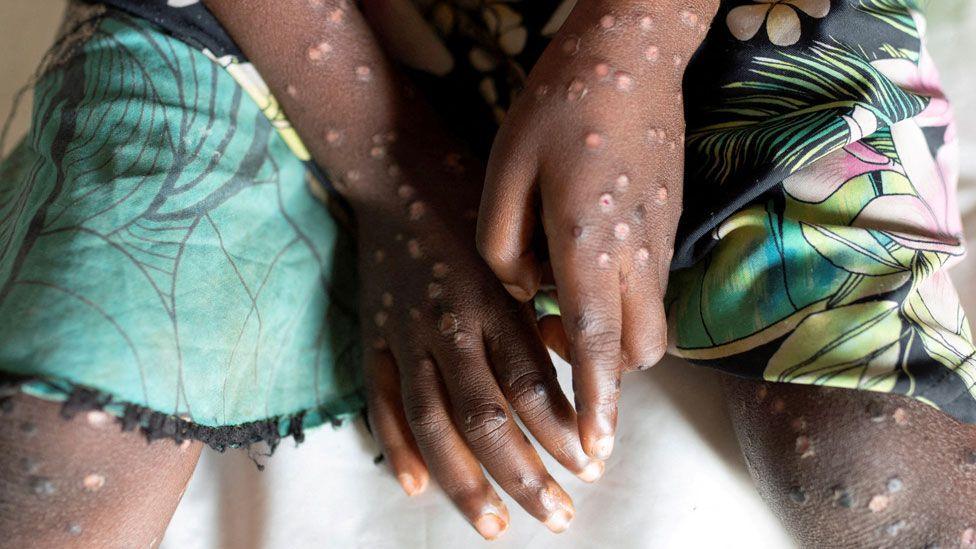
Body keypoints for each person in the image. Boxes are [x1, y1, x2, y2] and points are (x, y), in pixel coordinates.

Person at [1, 0, 974, 546]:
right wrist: (392, 170)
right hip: (270, 23)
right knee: (62, 458)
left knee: (871, 453)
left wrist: (629, 47)